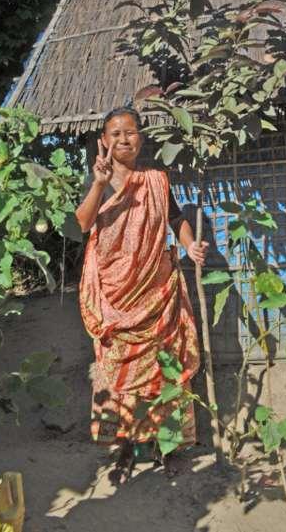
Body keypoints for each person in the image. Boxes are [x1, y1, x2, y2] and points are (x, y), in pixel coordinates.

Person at [75, 106, 208, 478]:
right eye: (115, 133)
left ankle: (166, 446)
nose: (123, 139)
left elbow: (175, 217)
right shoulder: (99, 182)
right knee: (118, 373)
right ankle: (126, 448)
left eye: (130, 132)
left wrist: (190, 245)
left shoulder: (156, 180)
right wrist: (98, 184)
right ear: (104, 140)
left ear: (141, 138)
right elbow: (82, 224)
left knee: (165, 370)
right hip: (115, 298)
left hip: (157, 294)